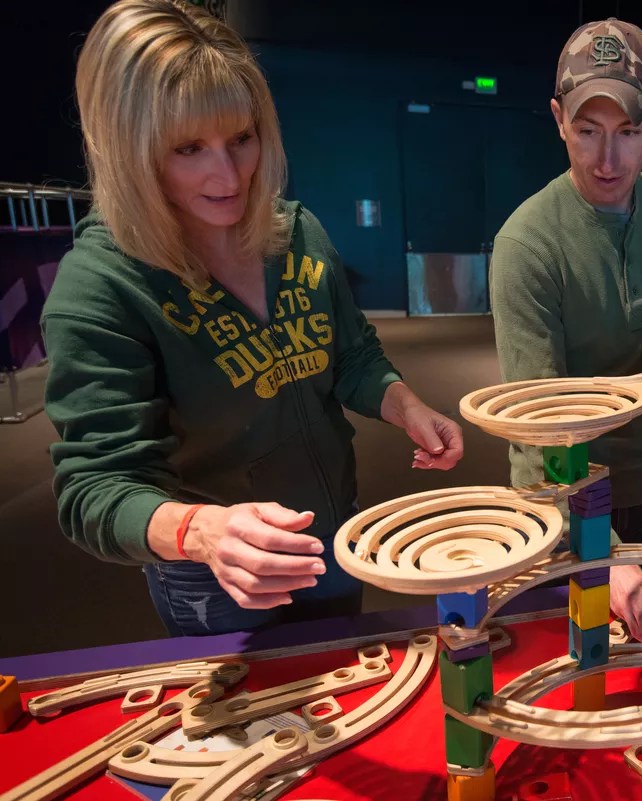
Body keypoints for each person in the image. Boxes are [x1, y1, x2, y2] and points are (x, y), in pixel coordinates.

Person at [42, 0, 463, 637]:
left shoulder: (296, 233)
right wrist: (200, 531)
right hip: (217, 571)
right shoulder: (102, 285)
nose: (230, 174)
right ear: (131, 152)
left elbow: (352, 356)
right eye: (189, 148)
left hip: (333, 532)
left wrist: (406, 406)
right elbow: (96, 487)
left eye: (242, 138)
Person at [490, 18, 642, 644]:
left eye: (628, 131)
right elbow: (538, 426)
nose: (607, 159)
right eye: (588, 131)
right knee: (566, 660)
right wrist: (601, 549)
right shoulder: (526, 244)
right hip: (558, 500)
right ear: (558, 119)